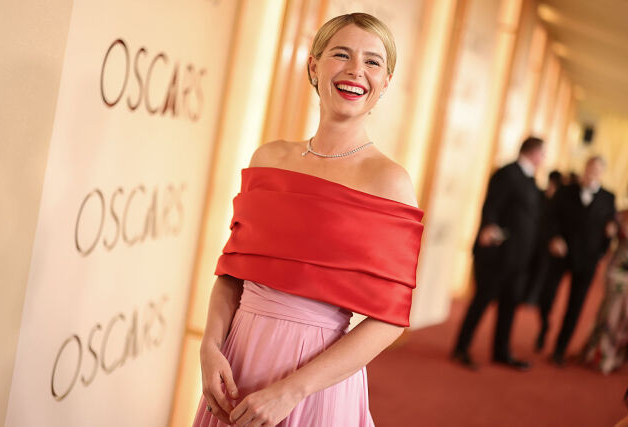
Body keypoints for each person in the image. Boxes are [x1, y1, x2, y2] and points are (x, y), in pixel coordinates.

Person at [192, 13, 425, 427]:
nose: (356, 70)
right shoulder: (268, 159)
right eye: (342, 54)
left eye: (372, 61)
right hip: (236, 363)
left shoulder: (390, 181)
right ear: (314, 66)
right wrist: (210, 347)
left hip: (314, 382)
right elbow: (231, 276)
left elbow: (389, 320)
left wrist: (292, 391)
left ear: (386, 82)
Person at [452, 137, 544, 371]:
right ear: (533, 152)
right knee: (482, 301)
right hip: (499, 255)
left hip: (519, 257)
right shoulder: (507, 173)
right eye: (543, 154)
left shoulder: (531, 179)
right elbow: (491, 205)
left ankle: (501, 351)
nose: (544, 159)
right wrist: (490, 227)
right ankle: (461, 347)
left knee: (509, 305)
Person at [535, 156, 617, 366]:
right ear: (585, 168)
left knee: (575, 305)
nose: (592, 173)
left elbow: (609, 229)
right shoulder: (565, 191)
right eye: (590, 168)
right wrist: (554, 238)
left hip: (587, 260)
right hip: (561, 254)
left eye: (597, 170)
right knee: (546, 296)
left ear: (602, 173)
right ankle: (544, 325)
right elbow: (549, 217)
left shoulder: (608, 198)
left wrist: (602, 251)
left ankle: (559, 349)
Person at [581, 208, 628, 374]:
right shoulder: (622, 215)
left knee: (625, 318)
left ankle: (618, 356)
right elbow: (606, 235)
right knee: (610, 314)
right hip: (617, 272)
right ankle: (601, 354)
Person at [525, 170, 563, 305]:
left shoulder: (558, 201)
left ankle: (532, 297)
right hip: (533, 238)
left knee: (540, 271)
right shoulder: (540, 195)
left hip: (545, 242)